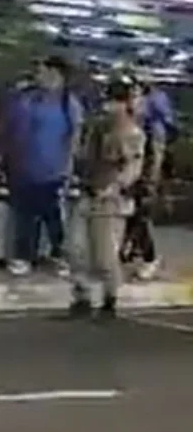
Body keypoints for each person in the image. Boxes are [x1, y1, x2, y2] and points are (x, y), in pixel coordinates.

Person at [70, 78, 145, 319]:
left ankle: (109, 299)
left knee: (104, 254)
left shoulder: (130, 132)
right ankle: (81, 296)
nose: (108, 106)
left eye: (114, 101)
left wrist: (114, 187)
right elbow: (82, 154)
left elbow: (131, 167)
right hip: (88, 190)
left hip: (110, 198)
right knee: (77, 248)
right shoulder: (96, 127)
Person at [4, 56, 83, 277]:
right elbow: (15, 126)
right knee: (24, 214)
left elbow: (74, 137)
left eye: (42, 72)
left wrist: (69, 165)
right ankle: (23, 255)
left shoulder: (69, 103)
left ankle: (59, 255)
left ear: (56, 75)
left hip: (54, 169)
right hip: (25, 166)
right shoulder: (28, 98)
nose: (38, 76)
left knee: (53, 216)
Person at [121, 81, 175, 280]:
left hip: (143, 180)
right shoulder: (136, 124)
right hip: (132, 178)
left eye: (136, 96)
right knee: (132, 218)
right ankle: (134, 253)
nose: (131, 101)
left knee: (139, 218)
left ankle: (149, 258)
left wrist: (147, 184)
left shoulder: (152, 129)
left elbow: (154, 158)